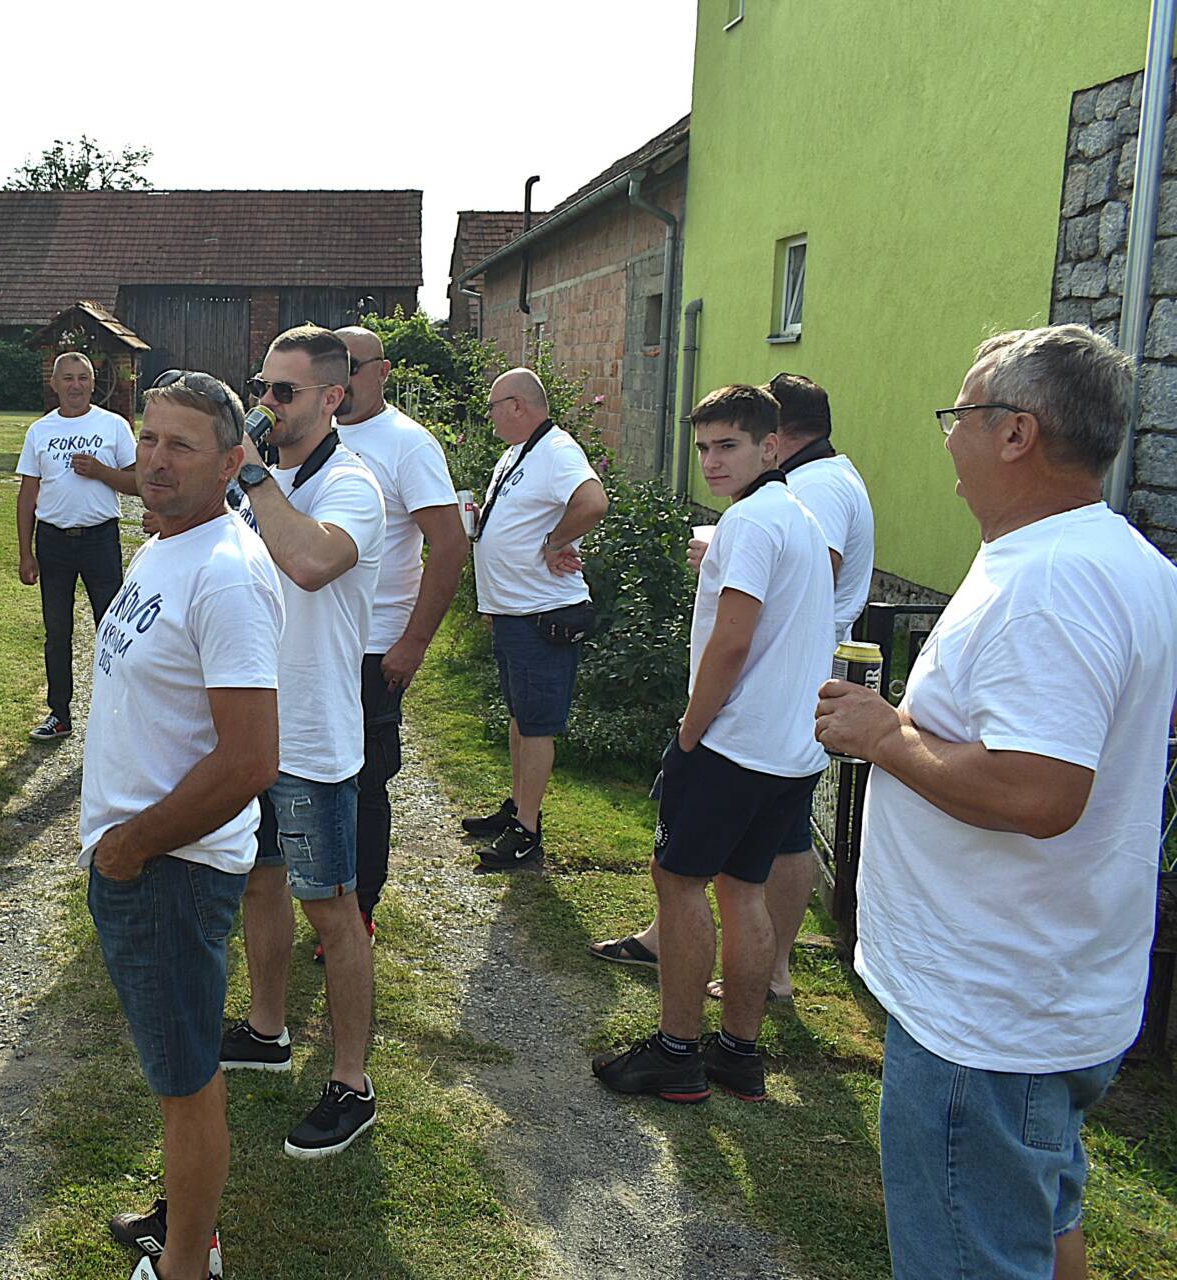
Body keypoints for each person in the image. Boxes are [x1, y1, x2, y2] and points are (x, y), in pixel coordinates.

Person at [816, 325, 1177, 1280]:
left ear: (1017, 433)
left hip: (989, 1013)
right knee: (1045, 1220)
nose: (949, 437)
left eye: (961, 415)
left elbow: (1038, 790)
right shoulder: (1120, 558)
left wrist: (883, 734)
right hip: (1053, 985)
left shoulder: (1050, 581)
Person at [86, 371, 282, 1280]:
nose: (156, 461)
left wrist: (130, 848)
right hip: (148, 861)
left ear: (232, 463)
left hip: (171, 868)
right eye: (149, 439)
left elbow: (250, 761)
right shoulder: (166, 541)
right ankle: (185, 1222)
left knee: (187, 1078)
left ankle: (185, 1269)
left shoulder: (226, 573)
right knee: (176, 1067)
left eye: (182, 446)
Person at [591, 372, 871, 1001]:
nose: (712, 462)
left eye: (728, 447)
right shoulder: (798, 513)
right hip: (788, 741)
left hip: (736, 738)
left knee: (679, 881)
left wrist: (690, 733)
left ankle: (678, 1041)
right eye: (703, 448)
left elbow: (732, 642)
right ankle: (740, 1043)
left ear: (770, 447)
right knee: (742, 889)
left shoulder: (751, 520)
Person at [220, 326, 386, 1159]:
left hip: (313, 738)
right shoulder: (264, 480)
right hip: (251, 725)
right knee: (260, 883)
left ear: (333, 398)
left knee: (333, 910)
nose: (266, 404)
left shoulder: (351, 483)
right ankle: (267, 1029)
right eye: (261, 388)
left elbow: (313, 563)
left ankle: (352, 1083)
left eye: (283, 392)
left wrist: (252, 475)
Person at [328, 325, 467, 941]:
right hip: (309, 641)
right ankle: (305, 887)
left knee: (364, 779)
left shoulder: (407, 443)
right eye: (331, 369)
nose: (341, 382)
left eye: (352, 367)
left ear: (383, 372)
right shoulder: (310, 434)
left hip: (373, 645)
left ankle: (359, 907)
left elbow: (449, 544)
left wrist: (413, 642)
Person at [458, 368, 608, 872]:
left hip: (542, 614)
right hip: (513, 611)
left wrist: (555, 541)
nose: (490, 416)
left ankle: (527, 831)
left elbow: (593, 501)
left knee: (537, 724)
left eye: (494, 407)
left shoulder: (557, 450)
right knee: (520, 718)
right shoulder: (518, 453)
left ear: (517, 405)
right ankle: (519, 807)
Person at [16, 352, 138, 741]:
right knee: (57, 632)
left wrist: (101, 472)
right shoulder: (40, 431)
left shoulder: (113, 426)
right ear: (53, 384)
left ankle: (118, 714)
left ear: (93, 382)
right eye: (67, 378)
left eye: (83, 378)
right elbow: (27, 495)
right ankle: (59, 714)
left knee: (112, 628)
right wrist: (25, 553)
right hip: (53, 541)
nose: (75, 385)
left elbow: (138, 482)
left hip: (100, 538)